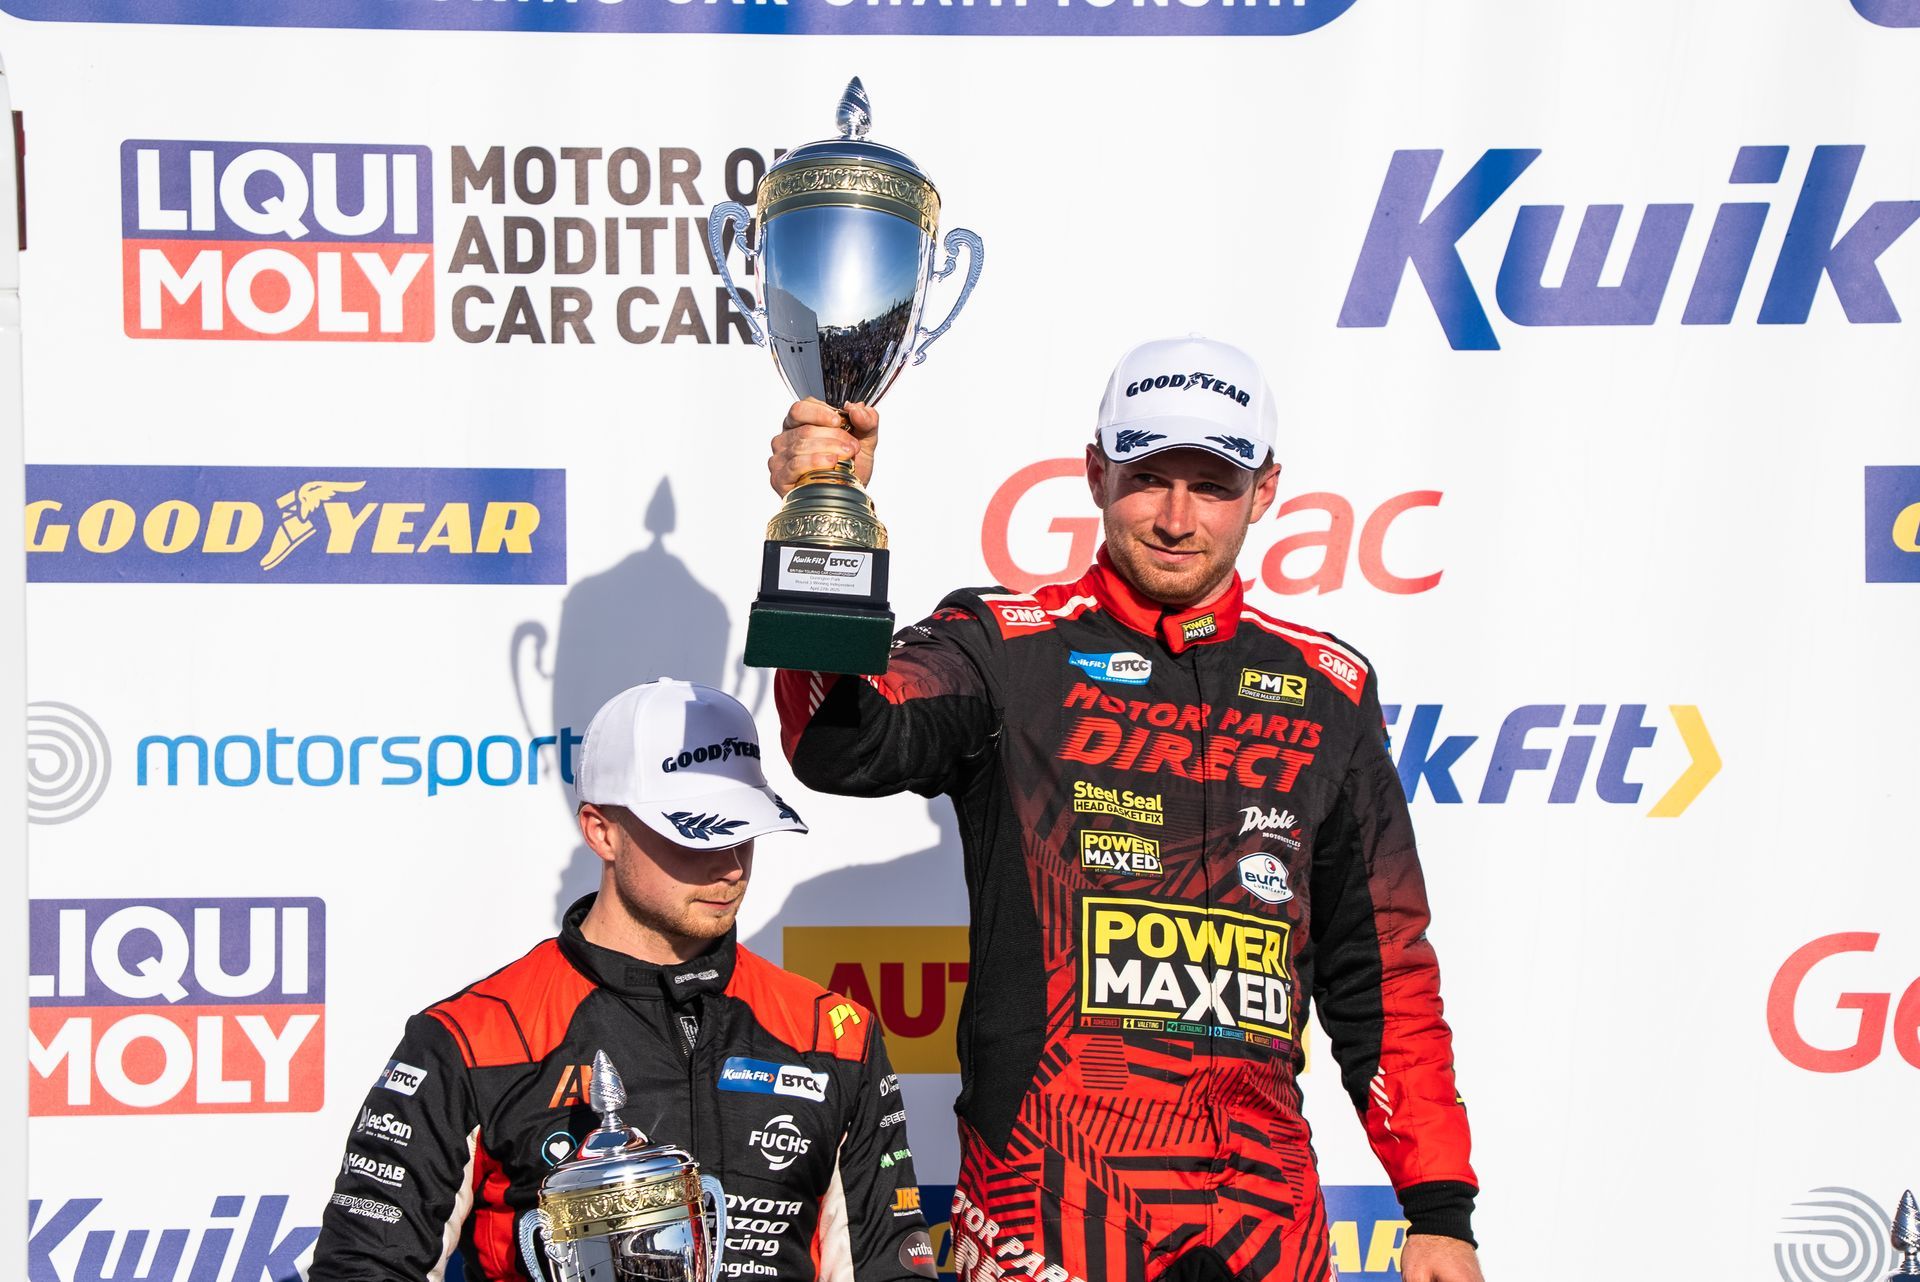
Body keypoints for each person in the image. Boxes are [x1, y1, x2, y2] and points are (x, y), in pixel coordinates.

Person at [767, 336, 1484, 1282]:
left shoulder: (1328, 689)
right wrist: (825, 531)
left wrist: (1437, 1208)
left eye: (1214, 485)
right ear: (1096, 472)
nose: (1179, 518)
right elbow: (841, 743)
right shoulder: (1002, 648)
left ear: (1266, 491)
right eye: (1149, 477)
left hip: (1263, 1221)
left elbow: (1383, 969)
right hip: (1046, 1212)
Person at [310, 679, 936, 1282]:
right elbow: (367, 1265)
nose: (729, 863)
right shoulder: (473, 1035)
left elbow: (886, 1269)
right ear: (602, 831)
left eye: (745, 829)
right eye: (697, 832)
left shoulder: (832, 1033)